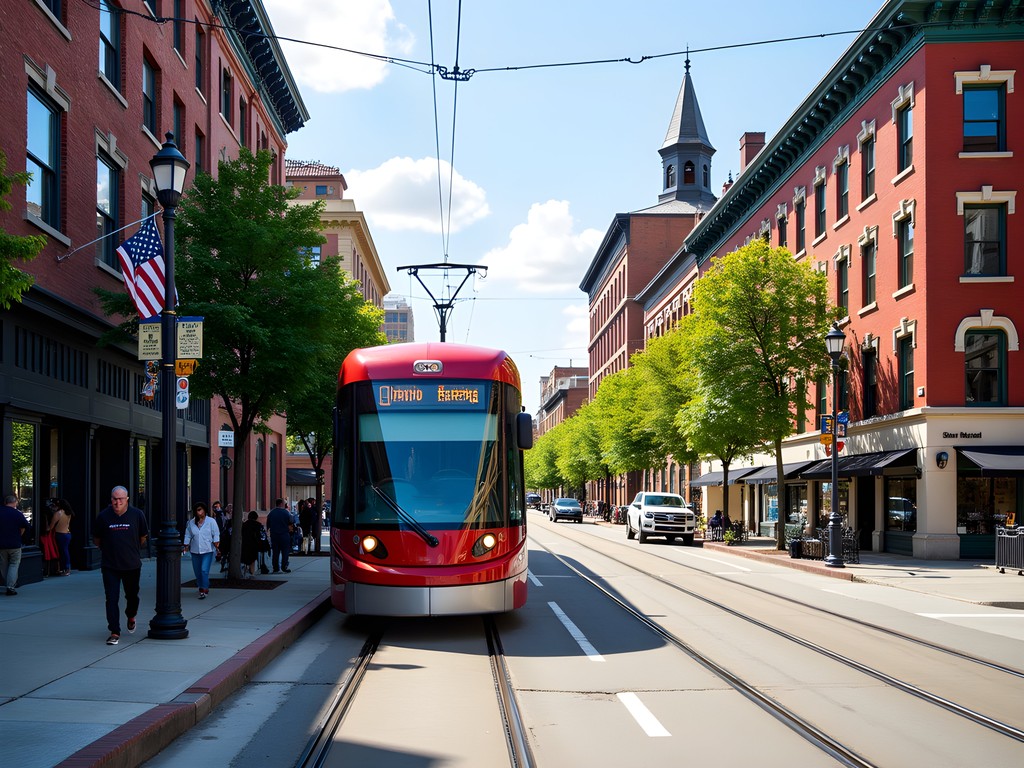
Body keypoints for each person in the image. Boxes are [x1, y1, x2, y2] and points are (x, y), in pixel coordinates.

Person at [93, 486, 149, 645]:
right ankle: (114, 631)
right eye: (114, 499)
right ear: (111, 499)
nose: (117, 502)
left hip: (131, 565)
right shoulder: (103, 516)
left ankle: (131, 615)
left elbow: (143, 537)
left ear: (127, 499)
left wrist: (132, 550)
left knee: (132, 596)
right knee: (111, 598)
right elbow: (97, 539)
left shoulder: (137, 515)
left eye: (121, 499)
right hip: (110, 565)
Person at [183, 502, 219, 599]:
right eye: (197, 510)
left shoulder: (211, 521)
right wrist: (186, 544)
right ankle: (201, 585)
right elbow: (188, 534)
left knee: (204, 570)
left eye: (200, 509)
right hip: (195, 551)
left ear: (204, 510)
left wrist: (216, 542)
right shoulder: (191, 522)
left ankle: (204, 588)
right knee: (197, 571)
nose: (198, 512)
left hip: (207, 550)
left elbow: (216, 533)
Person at [1, 494, 30, 596]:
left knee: (3, 565)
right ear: (15, 502)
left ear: (5, 502)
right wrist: (19, 535)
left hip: (1, 544)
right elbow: (24, 527)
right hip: (15, 544)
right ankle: (10, 586)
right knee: (14, 564)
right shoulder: (17, 514)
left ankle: (7, 582)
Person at [266, 498, 293, 573]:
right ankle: (284, 567)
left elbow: (268, 524)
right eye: (284, 503)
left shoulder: (271, 513)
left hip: (274, 535)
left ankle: (275, 568)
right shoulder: (286, 513)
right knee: (285, 551)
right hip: (284, 534)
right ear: (281, 504)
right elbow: (291, 521)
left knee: (275, 552)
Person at [49, 498, 74, 576]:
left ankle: (65, 568)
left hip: (60, 534)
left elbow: (51, 526)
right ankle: (66, 568)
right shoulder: (68, 513)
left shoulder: (58, 513)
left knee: (62, 552)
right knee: (64, 551)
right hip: (67, 534)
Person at [240, 510, 263, 579]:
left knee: (245, 558)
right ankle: (252, 573)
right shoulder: (258, 525)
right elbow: (260, 536)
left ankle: (245, 572)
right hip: (254, 544)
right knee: (253, 559)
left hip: (244, 543)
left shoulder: (244, 524)